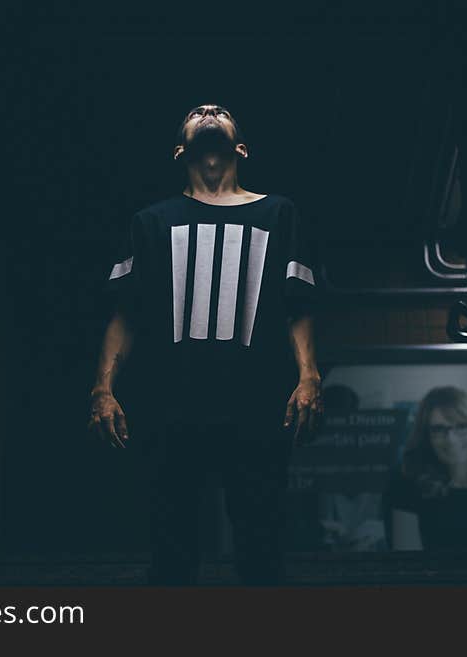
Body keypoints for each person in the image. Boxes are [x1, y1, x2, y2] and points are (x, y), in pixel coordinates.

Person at [88, 104, 323, 585]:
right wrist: (103, 389)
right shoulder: (151, 222)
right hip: (172, 402)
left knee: (261, 547)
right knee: (172, 550)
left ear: (241, 147)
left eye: (220, 112)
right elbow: (125, 314)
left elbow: (296, 305)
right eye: (197, 113)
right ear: (180, 150)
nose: (210, 112)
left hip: (257, 402)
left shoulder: (278, 213)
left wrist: (308, 375)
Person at [384, 386, 467, 552]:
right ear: (426, 436)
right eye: (439, 429)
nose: (451, 440)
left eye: (462, 426)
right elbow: (409, 561)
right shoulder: (404, 486)